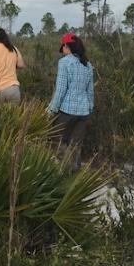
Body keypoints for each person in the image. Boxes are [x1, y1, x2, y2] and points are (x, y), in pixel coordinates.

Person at [46, 33, 94, 167]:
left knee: (59, 142)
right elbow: (90, 91)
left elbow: (60, 90)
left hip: (66, 111)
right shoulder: (87, 65)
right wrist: (90, 108)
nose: (63, 51)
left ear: (66, 46)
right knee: (76, 145)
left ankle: (63, 173)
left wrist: (51, 110)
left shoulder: (65, 62)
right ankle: (74, 176)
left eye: (63, 47)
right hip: (83, 112)